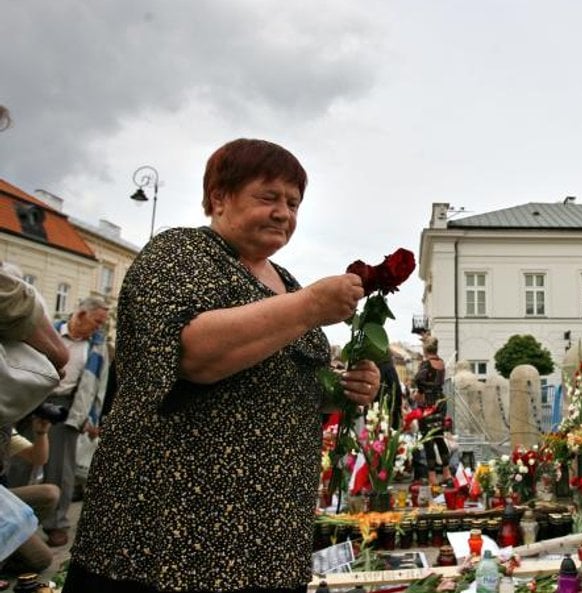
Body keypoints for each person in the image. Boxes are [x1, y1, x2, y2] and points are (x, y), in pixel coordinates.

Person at [63, 138, 380, 593]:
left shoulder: (285, 282)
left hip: (266, 540)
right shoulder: (179, 253)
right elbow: (193, 357)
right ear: (219, 198)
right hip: (172, 537)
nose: (284, 213)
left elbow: (285, 380)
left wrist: (343, 390)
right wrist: (309, 306)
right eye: (268, 197)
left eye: (293, 202)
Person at [8, 295, 110, 548]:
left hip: (68, 406)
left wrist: (92, 417)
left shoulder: (97, 347)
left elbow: (100, 385)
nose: (100, 327)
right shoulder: (49, 332)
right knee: (20, 462)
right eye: (97, 321)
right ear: (82, 314)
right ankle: (13, 522)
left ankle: (57, 524)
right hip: (34, 399)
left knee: (61, 468)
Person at [0, 417, 60, 575]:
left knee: (41, 559)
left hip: (3, 500)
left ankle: (8, 552)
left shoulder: (4, 428)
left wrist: (41, 433)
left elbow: (38, 458)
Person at [413, 335, 452, 489]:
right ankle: (447, 473)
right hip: (440, 402)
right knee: (439, 437)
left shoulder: (426, 364)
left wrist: (420, 392)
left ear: (425, 349)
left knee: (428, 439)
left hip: (428, 403)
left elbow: (418, 378)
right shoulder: (441, 362)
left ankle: (432, 476)